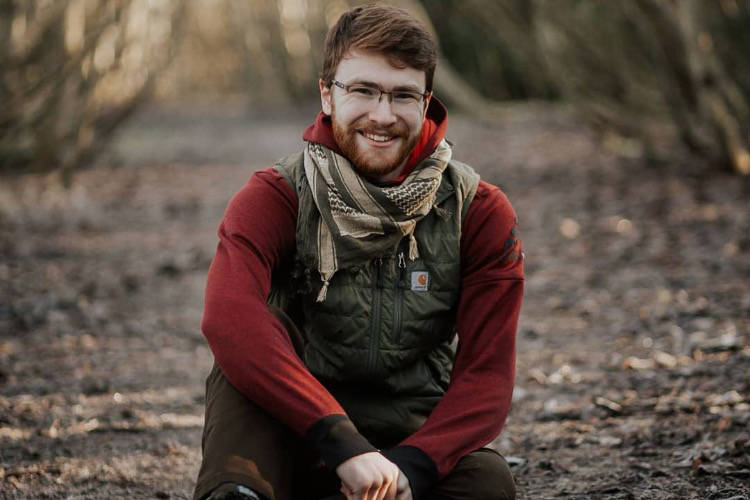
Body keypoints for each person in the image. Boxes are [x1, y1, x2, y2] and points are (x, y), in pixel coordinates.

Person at [193, 5, 523, 500]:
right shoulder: (276, 195)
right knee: (251, 342)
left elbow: (487, 376)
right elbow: (227, 317)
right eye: (363, 90)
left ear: (426, 103)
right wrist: (341, 443)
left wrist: (411, 467)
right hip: (290, 433)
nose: (383, 116)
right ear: (327, 95)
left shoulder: (477, 211)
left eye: (402, 95)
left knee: (488, 484)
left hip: (407, 440)